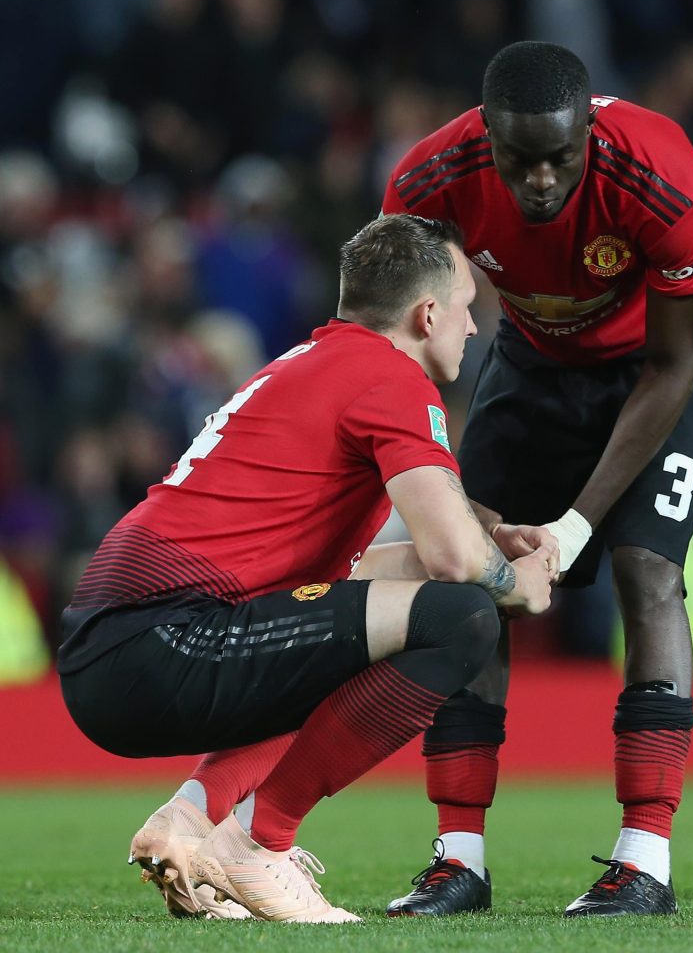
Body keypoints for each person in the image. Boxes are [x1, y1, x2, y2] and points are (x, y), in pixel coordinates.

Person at [57, 213, 557, 924]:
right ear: (427, 313)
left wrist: (490, 545)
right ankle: (260, 842)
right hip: (166, 640)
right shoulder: (390, 378)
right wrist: (515, 583)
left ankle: (190, 823)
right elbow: (452, 561)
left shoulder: (309, 364)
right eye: (468, 309)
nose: (474, 329)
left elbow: (378, 571)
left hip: (119, 650)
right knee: (463, 619)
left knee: (372, 626)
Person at [381, 41, 693, 917]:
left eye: (558, 158)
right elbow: (395, 348)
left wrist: (578, 522)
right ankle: (456, 861)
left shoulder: (663, 175)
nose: (539, 181)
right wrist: (441, 488)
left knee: (646, 572)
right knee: (466, 573)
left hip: (669, 364)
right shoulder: (427, 182)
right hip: (534, 360)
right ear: (484, 137)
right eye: (518, 160)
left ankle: (642, 861)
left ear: (590, 128)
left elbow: (674, 362)